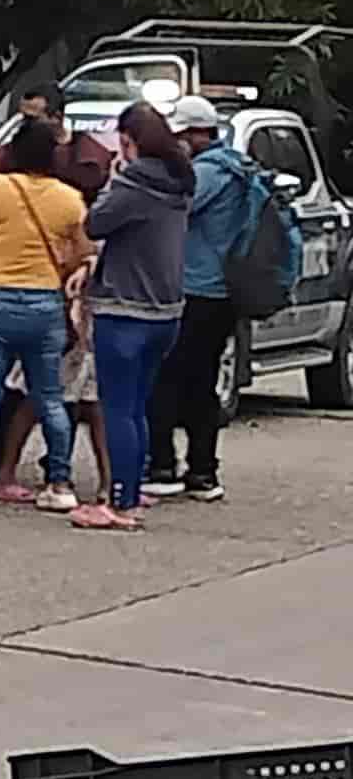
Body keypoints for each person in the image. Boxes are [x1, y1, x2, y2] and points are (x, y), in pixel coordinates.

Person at [0, 117, 94, 511]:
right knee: (50, 397)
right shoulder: (68, 197)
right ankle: (59, 484)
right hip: (43, 303)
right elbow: (84, 250)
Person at [0, 80, 114, 495]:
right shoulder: (7, 165)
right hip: (38, 286)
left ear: (58, 117)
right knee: (43, 389)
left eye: (33, 117)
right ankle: (39, 474)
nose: (24, 124)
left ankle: (51, 474)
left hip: (68, 289)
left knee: (58, 390)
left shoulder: (86, 163)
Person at [73, 103, 193, 530]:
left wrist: (113, 177)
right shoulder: (180, 182)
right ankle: (132, 488)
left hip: (125, 309)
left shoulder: (133, 183)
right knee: (137, 406)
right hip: (167, 311)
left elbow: (94, 224)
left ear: (129, 140)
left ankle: (120, 503)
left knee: (117, 407)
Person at [146, 96, 249, 502]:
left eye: (182, 135)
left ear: (197, 134)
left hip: (194, 290)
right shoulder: (238, 168)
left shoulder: (208, 173)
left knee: (167, 378)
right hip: (223, 290)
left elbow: (173, 209)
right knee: (201, 381)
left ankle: (165, 466)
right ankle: (203, 470)